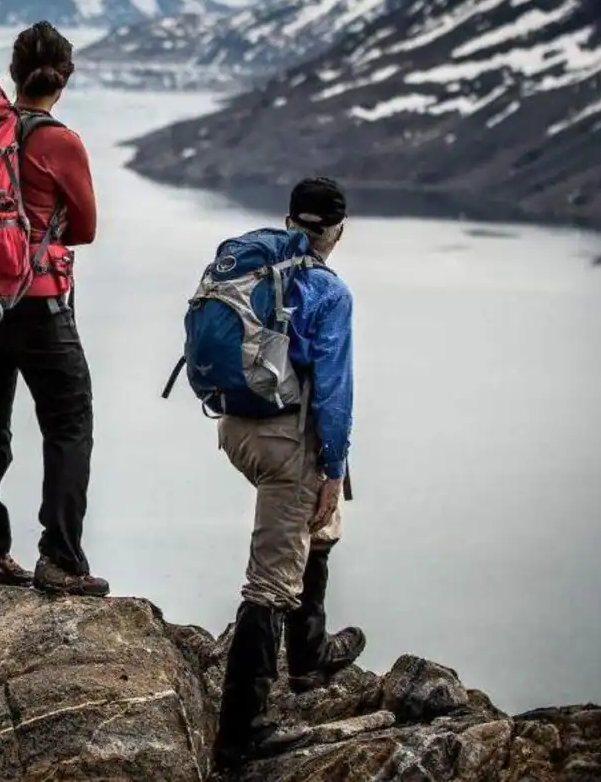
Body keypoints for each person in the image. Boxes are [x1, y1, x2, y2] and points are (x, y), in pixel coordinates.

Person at [212, 177, 368, 771]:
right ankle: (239, 736)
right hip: (284, 441)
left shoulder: (251, 266)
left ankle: (307, 658)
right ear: (337, 231)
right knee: (272, 582)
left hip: (235, 427)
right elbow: (334, 390)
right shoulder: (329, 291)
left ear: (288, 220)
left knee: (316, 527)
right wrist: (333, 467)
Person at [0, 21, 108, 597]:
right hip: (38, 304)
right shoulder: (58, 142)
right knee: (69, 424)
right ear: (63, 80)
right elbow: (86, 228)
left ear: (15, 72)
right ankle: (61, 559)